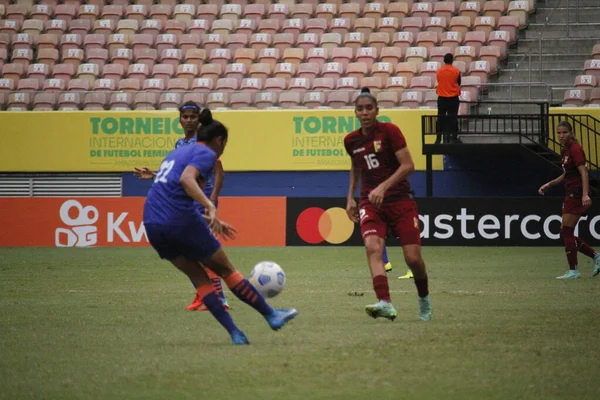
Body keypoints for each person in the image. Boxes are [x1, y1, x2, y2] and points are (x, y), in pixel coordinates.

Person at [143, 108, 298, 345]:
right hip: (179, 220)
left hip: (153, 224)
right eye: (224, 145)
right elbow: (186, 180)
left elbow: (170, 194)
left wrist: (208, 219)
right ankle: (271, 315)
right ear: (219, 140)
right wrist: (210, 206)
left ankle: (235, 333)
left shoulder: (177, 153)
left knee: (199, 278)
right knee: (226, 270)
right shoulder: (206, 152)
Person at [344, 87, 431, 321]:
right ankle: (385, 302)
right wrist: (350, 197)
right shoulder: (351, 140)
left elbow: (408, 165)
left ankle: (424, 299)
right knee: (373, 247)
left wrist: (383, 187)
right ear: (355, 112)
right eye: (360, 109)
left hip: (400, 200)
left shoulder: (390, 131)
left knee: (413, 259)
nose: (365, 113)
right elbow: (355, 167)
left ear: (377, 110)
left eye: (369, 108)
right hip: (370, 203)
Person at [134, 101, 228, 312]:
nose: (188, 120)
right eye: (185, 117)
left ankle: (219, 298)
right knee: (193, 251)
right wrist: (155, 175)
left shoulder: (204, 142)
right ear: (179, 120)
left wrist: (212, 200)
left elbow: (219, 172)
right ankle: (204, 295)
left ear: (198, 119)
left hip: (201, 199)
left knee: (202, 249)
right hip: (185, 202)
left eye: (193, 117)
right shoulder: (180, 144)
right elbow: (181, 175)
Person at [538, 121, 600, 279]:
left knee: (566, 231)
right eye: (559, 133)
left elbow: (584, 172)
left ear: (571, 133)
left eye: (564, 132)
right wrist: (549, 184)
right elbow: (567, 173)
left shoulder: (575, 149)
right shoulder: (565, 149)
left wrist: (585, 194)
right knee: (565, 231)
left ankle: (574, 270)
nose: (561, 136)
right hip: (570, 192)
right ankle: (595, 257)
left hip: (577, 193)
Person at [436, 53, 461, 144]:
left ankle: (438, 139)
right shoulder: (456, 71)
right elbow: (458, 83)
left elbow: (439, 81)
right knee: (453, 118)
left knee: (440, 118)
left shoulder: (439, 71)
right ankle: (454, 137)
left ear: (444, 60)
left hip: (442, 98)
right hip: (453, 98)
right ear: (452, 60)